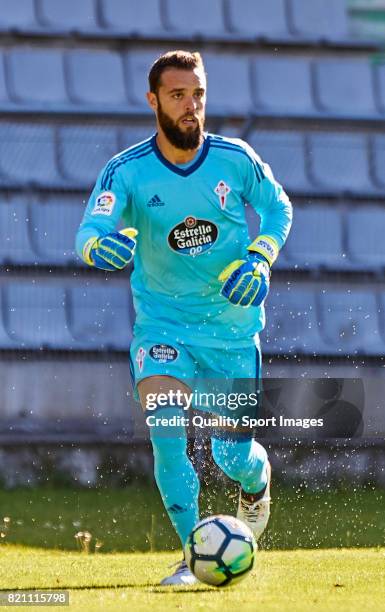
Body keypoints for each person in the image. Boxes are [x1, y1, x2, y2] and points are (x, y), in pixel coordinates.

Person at [76, 50, 292, 585]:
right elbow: (87, 232)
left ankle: (255, 483)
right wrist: (95, 249)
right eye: (178, 95)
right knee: (166, 428)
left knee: (231, 455)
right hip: (163, 326)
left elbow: (279, 207)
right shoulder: (126, 171)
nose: (191, 107)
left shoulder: (234, 158)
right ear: (154, 101)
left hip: (231, 330)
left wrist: (260, 257)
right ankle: (190, 558)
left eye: (197, 94)